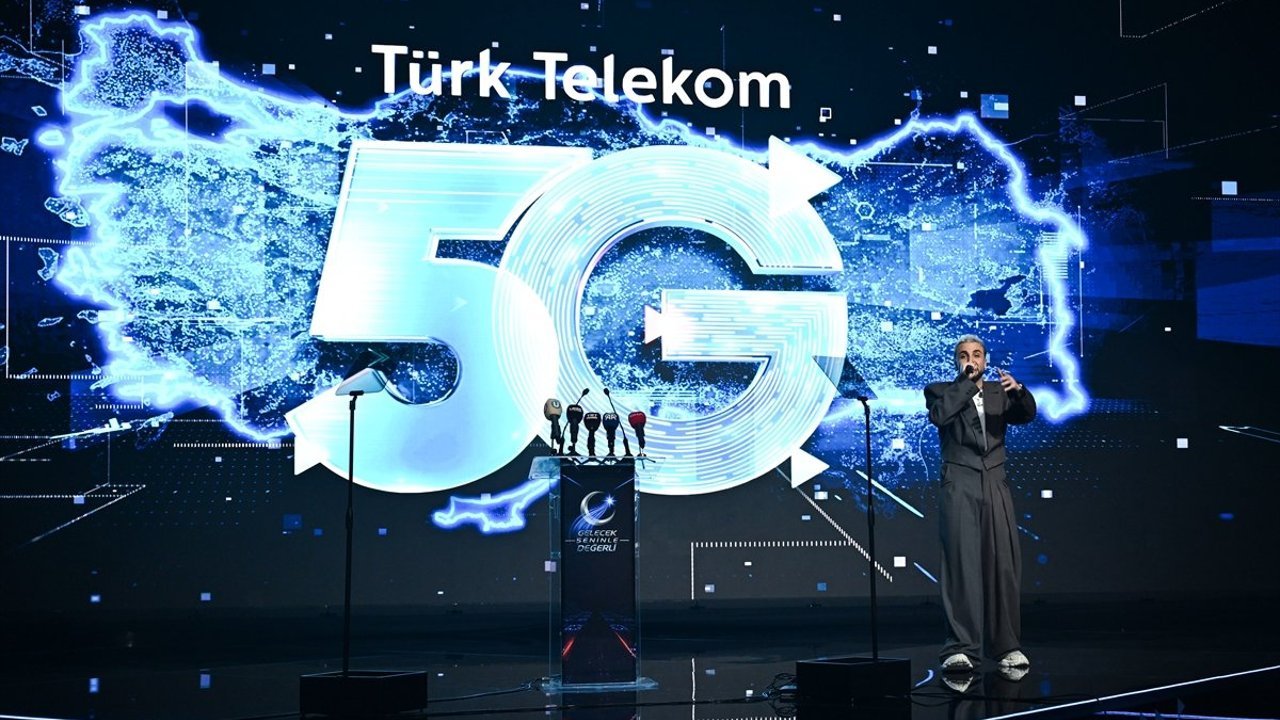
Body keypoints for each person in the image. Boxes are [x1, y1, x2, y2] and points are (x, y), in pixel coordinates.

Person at [924, 334, 1036, 673]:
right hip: (960, 480)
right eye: (964, 355)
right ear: (957, 361)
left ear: (986, 359)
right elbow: (940, 416)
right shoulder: (941, 390)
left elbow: (1026, 414)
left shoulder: (1000, 391)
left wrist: (1019, 391)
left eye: (976, 354)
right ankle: (961, 648)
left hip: (995, 480)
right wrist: (966, 383)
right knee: (962, 563)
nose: (971, 359)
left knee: (1003, 564)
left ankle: (1006, 646)